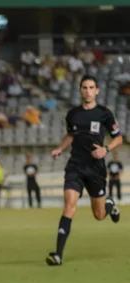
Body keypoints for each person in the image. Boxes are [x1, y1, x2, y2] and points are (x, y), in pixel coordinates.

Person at [47, 75, 122, 266]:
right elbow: (71, 135)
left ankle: (109, 203)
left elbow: (118, 138)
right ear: (80, 90)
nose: (88, 91)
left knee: (98, 216)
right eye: (84, 87)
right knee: (69, 205)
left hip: (96, 169)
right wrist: (59, 148)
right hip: (75, 167)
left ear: (96, 90)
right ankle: (58, 254)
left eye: (91, 88)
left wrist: (106, 149)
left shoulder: (104, 114)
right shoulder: (73, 114)